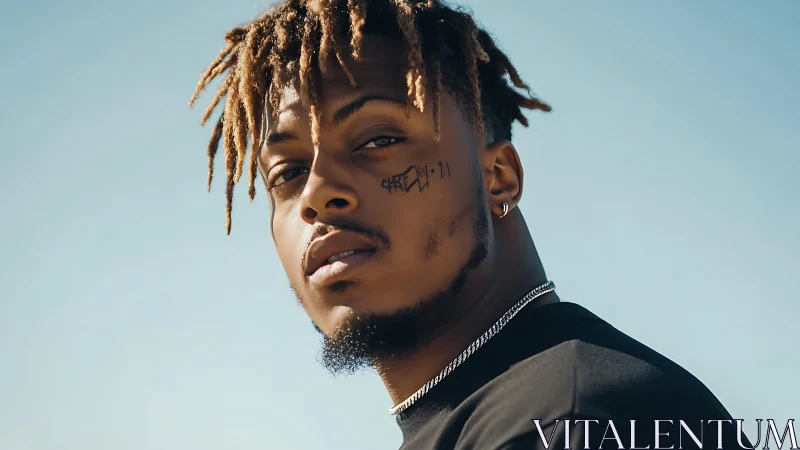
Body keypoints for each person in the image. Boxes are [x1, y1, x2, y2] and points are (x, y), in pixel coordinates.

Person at [188, 1, 751, 448]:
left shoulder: (570, 420)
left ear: (499, 176)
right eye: (287, 172)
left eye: (378, 140)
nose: (316, 192)